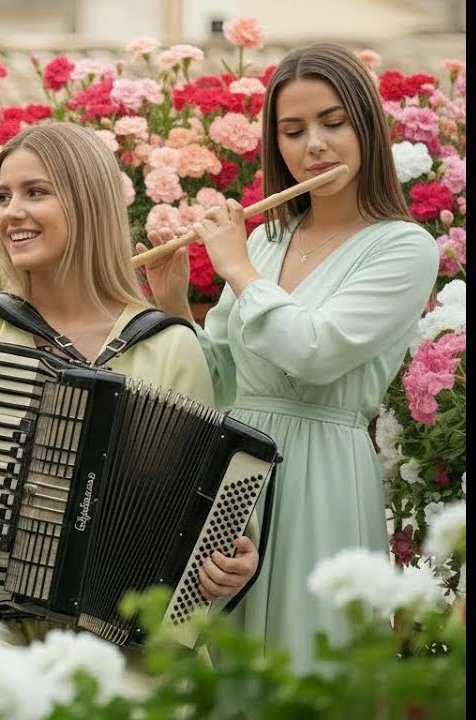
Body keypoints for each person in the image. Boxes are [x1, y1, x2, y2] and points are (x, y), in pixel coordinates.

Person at [0, 123, 261, 653]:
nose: (11, 212)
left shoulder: (168, 345)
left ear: (88, 204)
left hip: (121, 638)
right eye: (3, 197)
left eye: (36, 192)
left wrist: (232, 561)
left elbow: (211, 505)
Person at [137, 42, 440, 673]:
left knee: (309, 660)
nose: (314, 146)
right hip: (236, 471)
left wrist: (237, 269)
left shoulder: (404, 247)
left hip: (323, 472)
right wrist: (173, 302)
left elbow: (316, 352)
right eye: (293, 131)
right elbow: (218, 378)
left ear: (366, 125)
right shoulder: (267, 241)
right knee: (223, 669)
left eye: (333, 123)